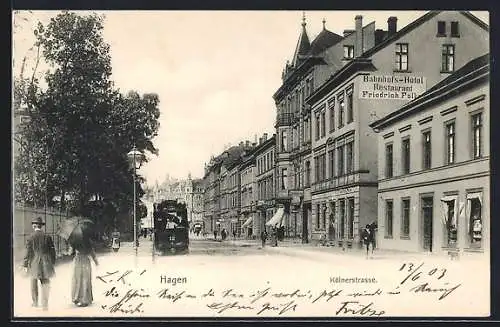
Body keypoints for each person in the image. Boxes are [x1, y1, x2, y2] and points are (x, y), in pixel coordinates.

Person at [23, 217, 56, 311]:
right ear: (41, 226)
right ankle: (45, 305)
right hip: (46, 262)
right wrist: (52, 263)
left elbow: (28, 252)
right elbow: (52, 251)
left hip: (34, 262)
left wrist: (25, 264)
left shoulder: (30, 237)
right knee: (45, 283)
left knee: (33, 282)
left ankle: (35, 302)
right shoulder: (47, 237)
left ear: (34, 226)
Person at [69, 236, 99, 307]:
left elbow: (70, 253)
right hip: (86, 261)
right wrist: (96, 262)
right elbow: (92, 253)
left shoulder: (74, 242)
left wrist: (73, 250)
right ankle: (85, 299)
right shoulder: (88, 242)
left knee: (77, 279)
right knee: (85, 279)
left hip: (77, 261)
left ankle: (76, 298)